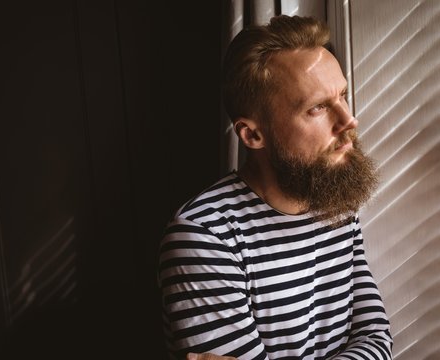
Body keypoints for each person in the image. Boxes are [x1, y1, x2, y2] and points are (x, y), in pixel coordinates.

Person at [158, 14, 393, 360]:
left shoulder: (337, 201)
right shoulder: (204, 239)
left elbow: (376, 339)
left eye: (342, 96)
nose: (348, 120)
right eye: (317, 108)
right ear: (253, 135)